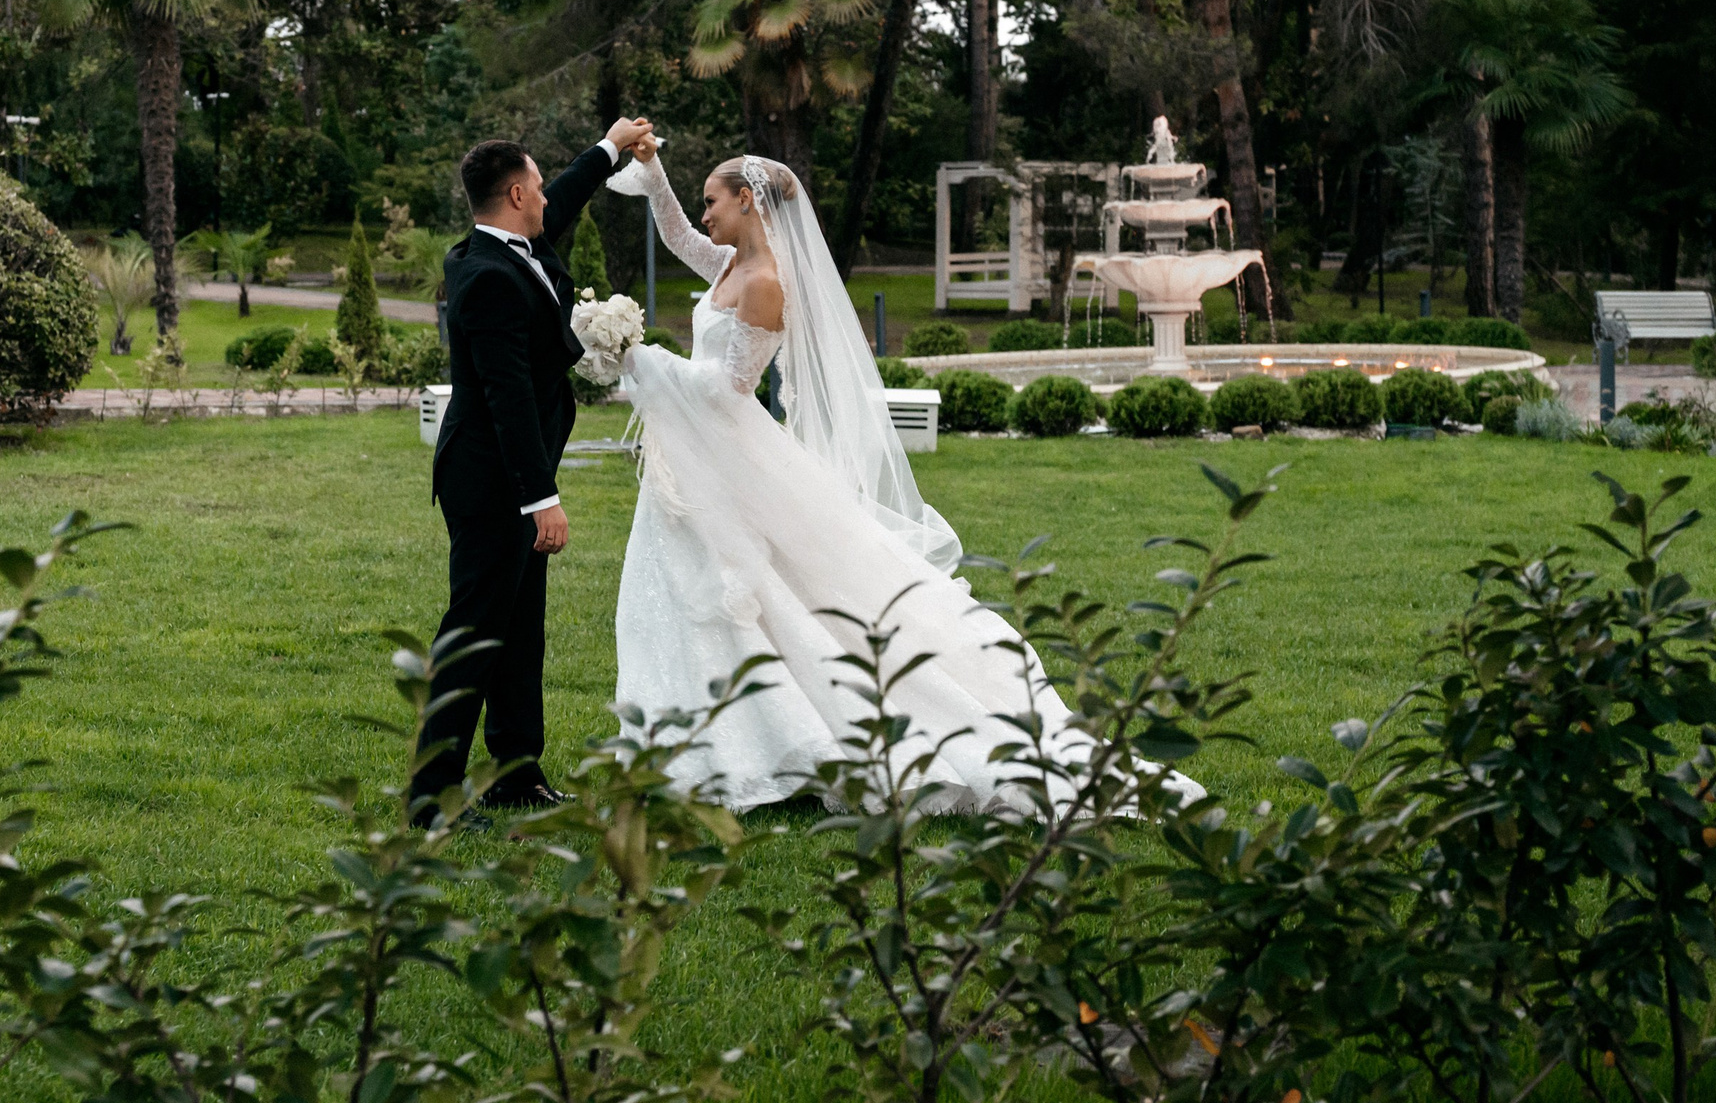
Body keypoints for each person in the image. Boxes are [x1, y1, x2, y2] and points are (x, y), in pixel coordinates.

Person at [606, 137, 1202, 811]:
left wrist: (640, 360)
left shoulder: (766, 279)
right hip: (707, 458)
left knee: (758, 591)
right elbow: (680, 235)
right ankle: (709, 741)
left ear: (747, 200)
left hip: (733, 450)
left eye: (713, 200)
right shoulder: (728, 263)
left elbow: (731, 388)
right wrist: (653, 171)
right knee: (703, 589)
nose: (706, 214)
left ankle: (774, 741)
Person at [414, 119, 651, 823]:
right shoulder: (486, 276)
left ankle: (515, 773)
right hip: (492, 482)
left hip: (512, 477)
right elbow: (506, 397)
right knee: (476, 632)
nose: (548, 196)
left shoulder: (515, 248)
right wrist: (540, 498)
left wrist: (608, 149)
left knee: (521, 631)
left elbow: (569, 196)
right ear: (516, 193)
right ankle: (430, 798)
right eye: (539, 187)